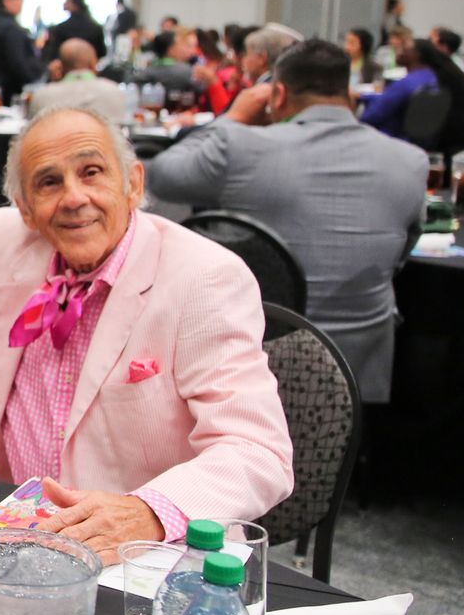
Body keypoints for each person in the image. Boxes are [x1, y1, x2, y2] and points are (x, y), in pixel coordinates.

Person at [0, 106, 293, 558]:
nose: (74, 197)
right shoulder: (4, 240)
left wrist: (147, 511)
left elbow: (256, 449)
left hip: (130, 558)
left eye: (91, 172)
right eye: (49, 182)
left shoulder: (203, 279)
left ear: (133, 183)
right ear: (26, 211)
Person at [145, 40, 426, 402]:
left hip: (249, 363)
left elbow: (163, 175)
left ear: (277, 94)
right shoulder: (411, 161)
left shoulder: (240, 146)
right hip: (358, 374)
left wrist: (232, 117)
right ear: (351, 95)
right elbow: (400, 257)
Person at [359, 32, 442, 140]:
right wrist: (363, 96)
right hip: (418, 141)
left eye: (404, 49)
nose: (398, 51)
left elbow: (371, 116)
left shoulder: (404, 84)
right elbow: (389, 100)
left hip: (389, 138)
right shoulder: (431, 78)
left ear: (416, 55)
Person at [31, 38, 127, 121]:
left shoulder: (42, 96)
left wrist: (51, 81)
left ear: (60, 66)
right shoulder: (114, 91)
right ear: (94, 64)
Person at [0, 0, 42, 100]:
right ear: (6, 1)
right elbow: (17, 61)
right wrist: (32, 80)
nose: (21, 3)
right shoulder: (10, 28)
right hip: (10, 89)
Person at [47, 0, 107, 64]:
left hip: (67, 68)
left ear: (74, 4)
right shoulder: (96, 27)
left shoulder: (61, 28)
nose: (64, 3)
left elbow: (54, 55)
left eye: (67, 1)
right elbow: (102, 53)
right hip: (89, 68)